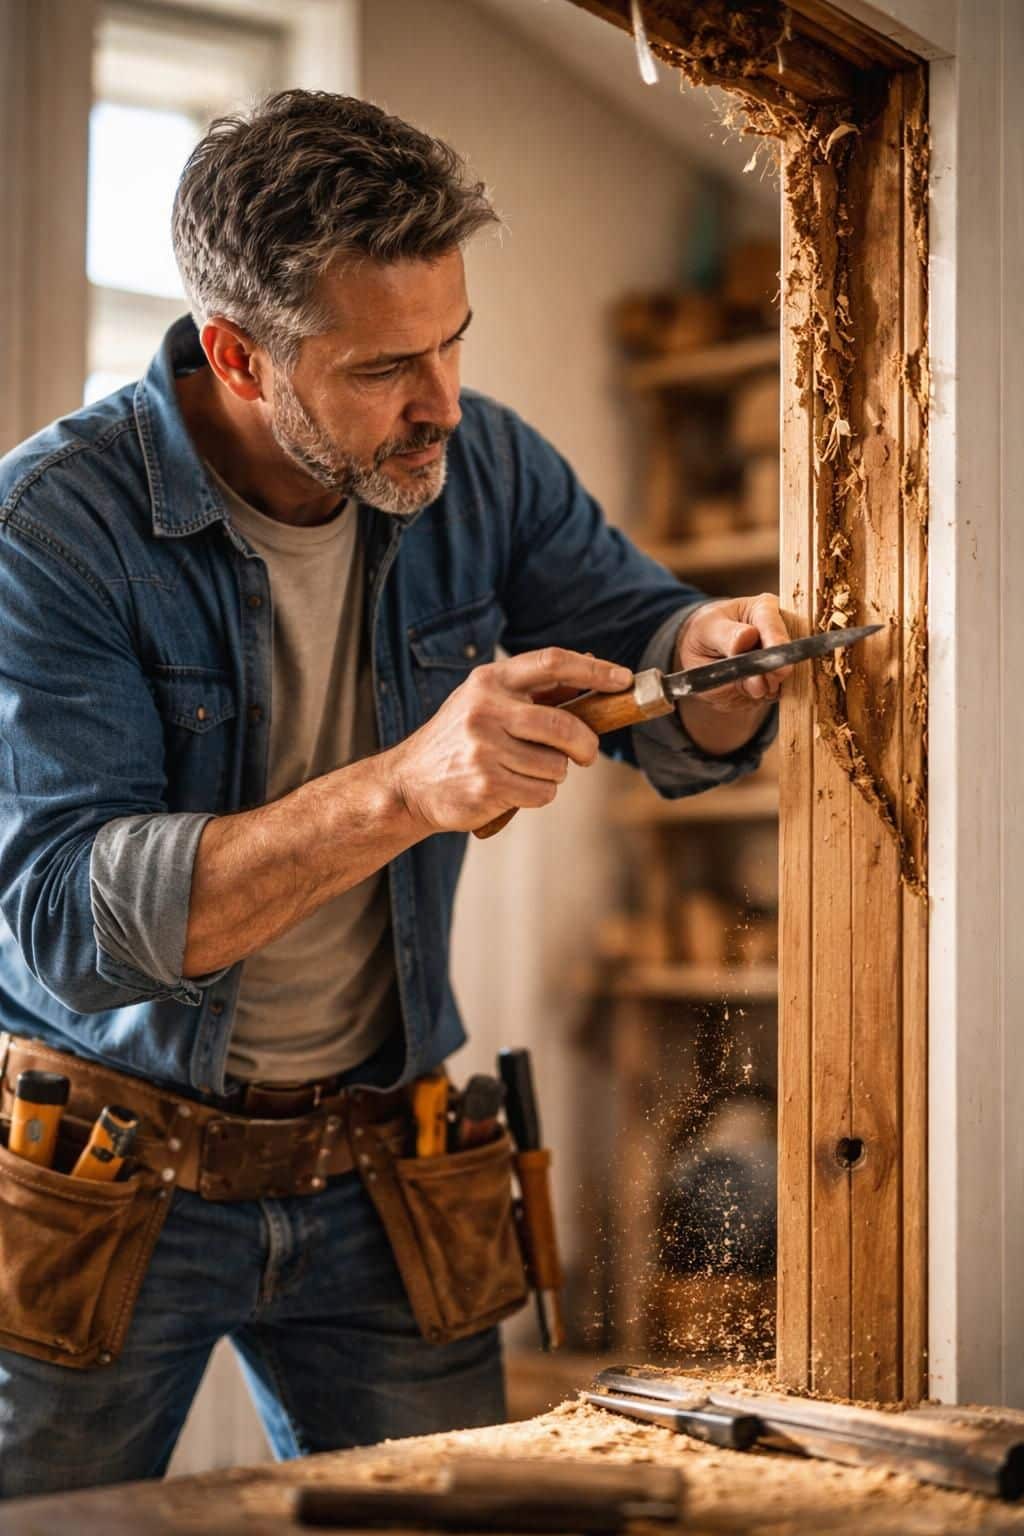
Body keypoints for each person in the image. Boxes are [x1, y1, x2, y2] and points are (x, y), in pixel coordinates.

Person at [0, 91, 787, 1497]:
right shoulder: (51, 532)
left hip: (385, 1165)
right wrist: (407, 786)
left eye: (452, 344)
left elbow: (646, 640)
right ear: (239, 356)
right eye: (383, 370)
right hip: (97, 1176)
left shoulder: (476, 466)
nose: (442, 404)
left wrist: (712, 665)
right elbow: (67, 918)